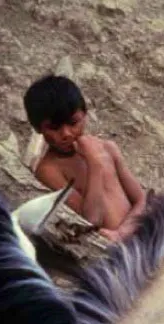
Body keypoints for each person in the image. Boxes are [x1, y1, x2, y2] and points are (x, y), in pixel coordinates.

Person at [23, 75, 146, 242]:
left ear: (85, 114)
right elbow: (91, 220)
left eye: (73, 123)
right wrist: (95, 165)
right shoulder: (50, 170)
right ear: (38, 128)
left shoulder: (108, 148)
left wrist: (122, 233)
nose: (66, 134)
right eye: (54, 127)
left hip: (137, 239)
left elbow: (141, 200)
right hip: (106, 255)